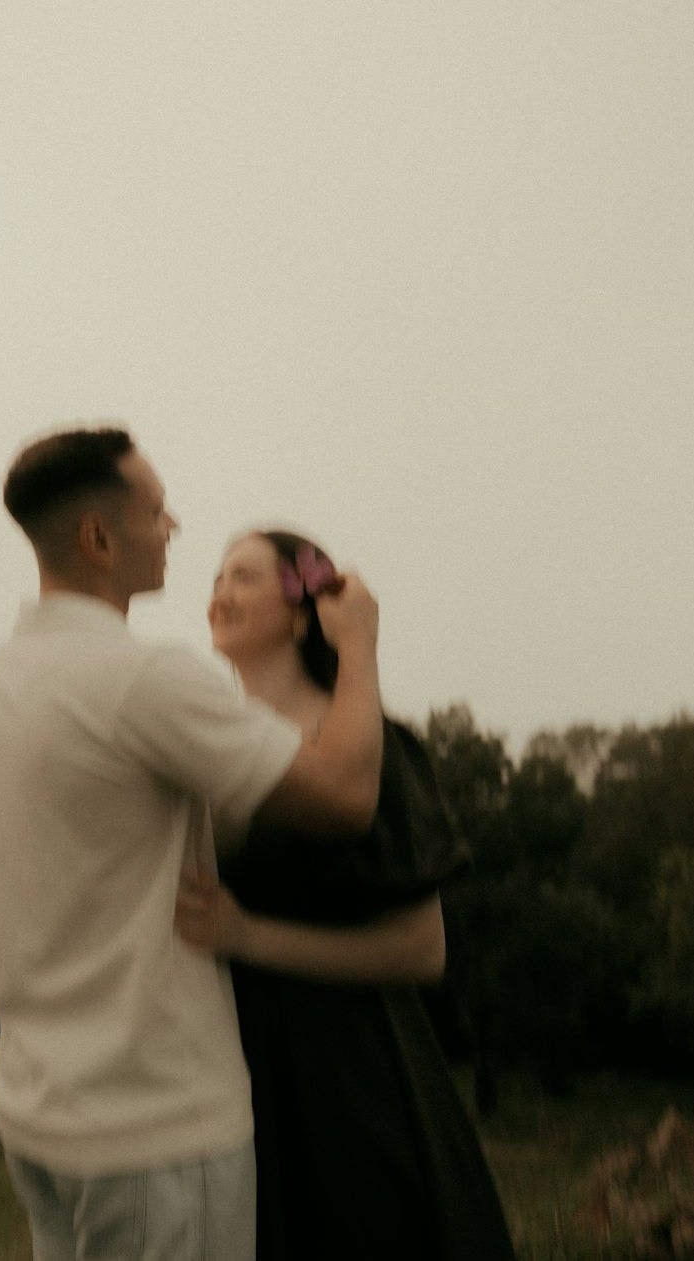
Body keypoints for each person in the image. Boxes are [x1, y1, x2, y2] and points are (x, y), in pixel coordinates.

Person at [0, 427, 386, 1261]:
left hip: (35, 1119)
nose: (174, 525)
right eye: (155, 510)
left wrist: (49, 1021)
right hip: (159, 1137)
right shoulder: (143, 677)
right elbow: (345, 797)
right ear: (99, 538)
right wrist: (357, 643)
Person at [176, 529, 517, 1260]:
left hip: (349, 1078)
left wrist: (247, 936)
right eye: (215, 576)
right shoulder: (207, 746)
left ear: (302, 613)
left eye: (243, 577)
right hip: (236, 1073)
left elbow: (423, 947)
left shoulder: (367, 748)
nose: (219, 593)